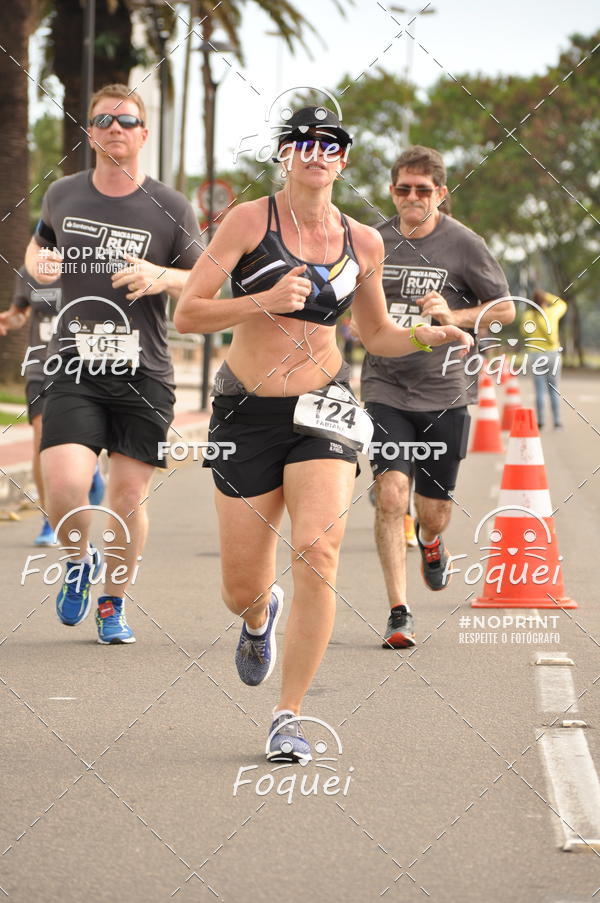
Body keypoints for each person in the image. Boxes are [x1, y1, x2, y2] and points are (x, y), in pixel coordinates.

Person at [174, 108, 473, 762]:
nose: (317, 152)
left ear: (343, 159)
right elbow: (188, 313)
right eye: (303, 142)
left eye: (330, 143)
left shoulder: (363, 241)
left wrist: (428, 335)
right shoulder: (249, 220)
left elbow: (377, 335)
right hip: (246, 411)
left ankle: (288, 716)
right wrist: (261, 301)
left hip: (324, 406)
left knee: (317, 547)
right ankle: (259, 618)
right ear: (285, 154)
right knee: (240, 589)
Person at [24, 83, 202, 644]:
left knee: (127, 496)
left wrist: (160, 276)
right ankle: (79, 562)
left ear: (143, 134)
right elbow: (40, 243)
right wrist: (39, 263)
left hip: (143, 372)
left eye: (126, 121)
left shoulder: (171, 206)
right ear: (90, 132)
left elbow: (204, 282)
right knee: (63, 486)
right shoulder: (63, 194)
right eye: (104, 120)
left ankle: (112, 604)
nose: (115, 129)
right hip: (73, 366)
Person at [359, 146, 514, 649]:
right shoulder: (372, 241)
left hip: (446, 391)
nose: (412, 197)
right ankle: (398, 612)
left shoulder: (464, 244)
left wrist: (454, 316)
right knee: (390, 495)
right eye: (403, 188)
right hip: (385, 386)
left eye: (422, 190)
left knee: (433, 511)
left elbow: (506, 309)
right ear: (391, 191)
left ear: (440, 194)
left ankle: (430, 541)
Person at [0, 268, 105, 546]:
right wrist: (8, 320)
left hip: (81, 367)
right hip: (41, 367)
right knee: (42, 437)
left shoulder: (88, 263)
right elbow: (20, 312)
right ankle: (50, 517)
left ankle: (90, 467)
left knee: (78, 436)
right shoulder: (30, 271)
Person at [521, 289, 567, 429]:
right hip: (552, 354)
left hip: (535, 355)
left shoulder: (528, 315)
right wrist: (546, 296)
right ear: (544, 301)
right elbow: (562, 304)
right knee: (553, 388)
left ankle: (540, 422)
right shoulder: (552, 313)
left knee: (539, 390)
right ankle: (557, 421)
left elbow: (524, 332)